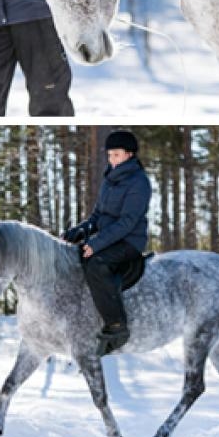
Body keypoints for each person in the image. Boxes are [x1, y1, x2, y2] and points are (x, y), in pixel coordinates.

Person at [63, 130, 151, 355]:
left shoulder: (138, 182)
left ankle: (117, 325)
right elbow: (97, 216)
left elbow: (128, 222)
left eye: (117, 155)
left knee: (96, 263)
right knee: (75, 257)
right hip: (109, 238)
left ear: (129, 155)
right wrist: (80, 231)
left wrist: (96, 244)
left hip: (129, 241)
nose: (112, 160)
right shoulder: (109, 179)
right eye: (110, 155)